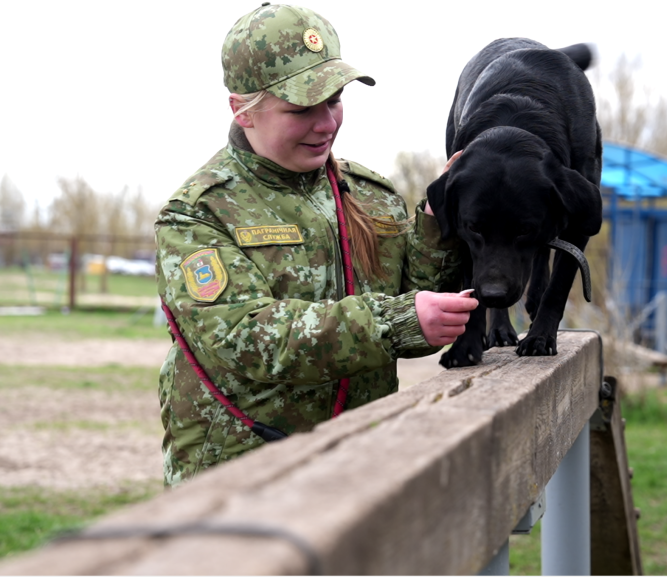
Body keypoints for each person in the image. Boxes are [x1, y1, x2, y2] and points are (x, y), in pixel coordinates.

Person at [155, 2, 478, 486]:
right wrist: (396, 322)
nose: (326, 123)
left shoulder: (371, 195)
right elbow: (246, 339)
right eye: (302, 109)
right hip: (241, 476)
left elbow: (415, 303)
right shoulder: (199, 214)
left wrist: (436, 219)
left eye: (335, 100)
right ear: (242, 110)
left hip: (358, 464)